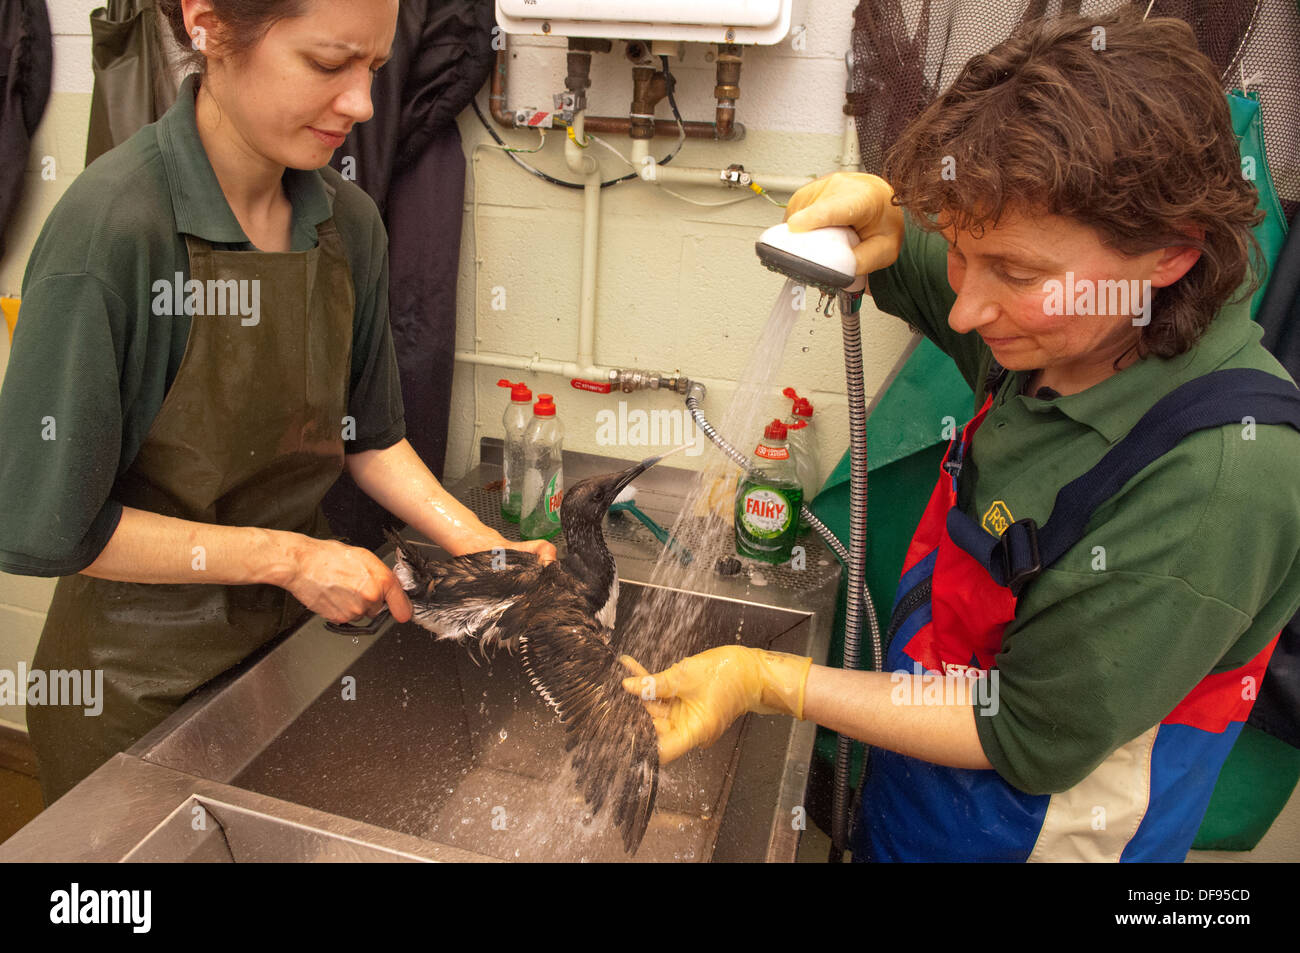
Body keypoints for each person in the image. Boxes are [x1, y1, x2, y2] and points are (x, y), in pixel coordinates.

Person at [622, 10, 1300, 861]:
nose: (967, 311)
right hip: (918, 805)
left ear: (1169, 254)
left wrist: (769, 680)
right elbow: (919, 260)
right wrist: (888, 216)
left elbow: (1024, 733)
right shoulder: (1088, 329)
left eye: (1015, 273)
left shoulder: (1221, 474)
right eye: (964, 256)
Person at [0, 0, 553, 805]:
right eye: (329, 66)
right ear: (210, 26)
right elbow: (47, 525)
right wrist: (292, 558)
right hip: (133, 694)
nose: (363, 105)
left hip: (279, 666)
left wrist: (484, 549)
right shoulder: (113, 232)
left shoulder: (348, 224)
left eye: (373, 67)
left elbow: (371, 439)